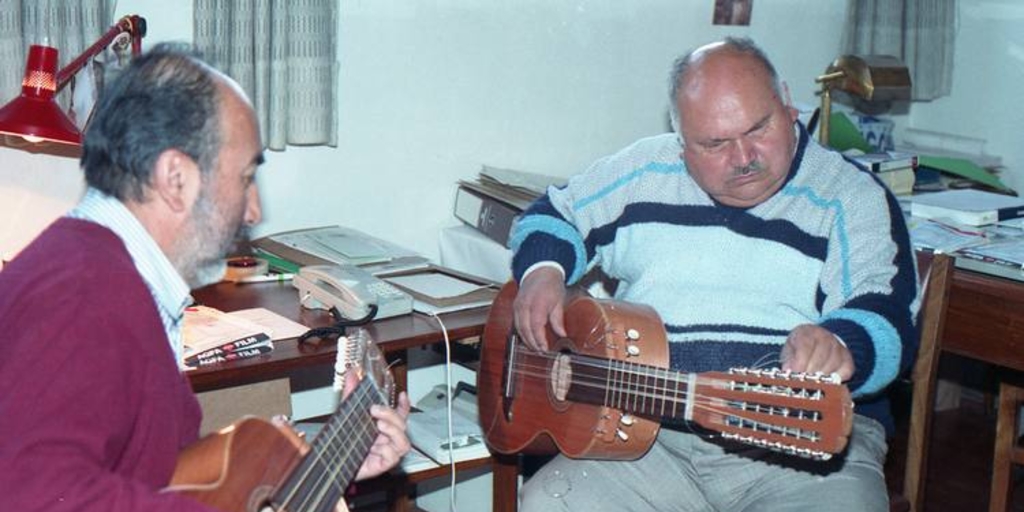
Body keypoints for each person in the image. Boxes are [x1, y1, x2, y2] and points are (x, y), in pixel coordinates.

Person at [510, 37, 918, 511]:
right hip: (648, 437)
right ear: (682, 145)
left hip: (802, 449)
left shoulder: (851, 195)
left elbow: (886, 315)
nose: (744, 157)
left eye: (759, 127)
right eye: (715, 143)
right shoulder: (646, 169)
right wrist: (543, 271)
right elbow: (551, 214)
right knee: (548, 502)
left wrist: (843, 345)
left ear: (787, 104)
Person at [0, 44, 410, 512]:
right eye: (244, 178)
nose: (253, 210)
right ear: (176, 178)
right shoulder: (82, 297)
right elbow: (27, 496)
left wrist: (328, 471)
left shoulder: (110, 277)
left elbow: (158, 479)